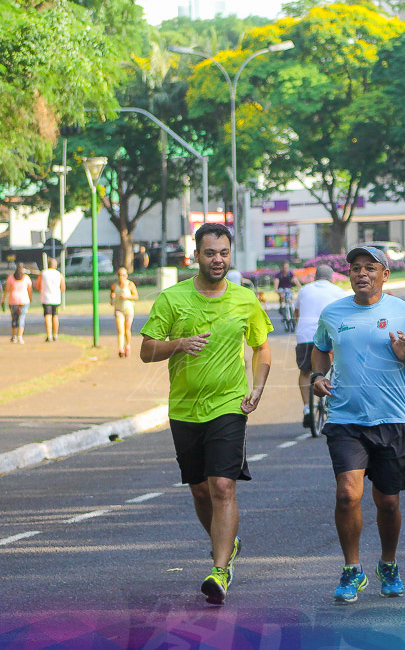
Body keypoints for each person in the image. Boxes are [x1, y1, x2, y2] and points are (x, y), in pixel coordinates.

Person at [139, 222, 272, 606]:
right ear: (196, 254)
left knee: (222, 486)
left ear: (231, 255)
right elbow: (147, 350)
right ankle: (227, 542)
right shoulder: (172, 298)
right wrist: (178, 344)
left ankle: (219, 569)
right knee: (199, 489)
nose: (218, 259)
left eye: (224, 253)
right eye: (210, 253)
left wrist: (258, 386)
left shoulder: (245, 299)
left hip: (229, 405)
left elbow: (261, 347)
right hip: (184, 408)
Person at [311, 245, 405, 603]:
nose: (361, 273)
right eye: (354, 268)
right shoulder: (333, 313)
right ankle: (352, 569)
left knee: (388, 502)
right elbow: (320, 347)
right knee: (347, 495)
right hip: (345, 418)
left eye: (369, 268)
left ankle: (388, 563)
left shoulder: (404, 311)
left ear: (385, 274)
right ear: (347, 274)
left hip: (392, 419)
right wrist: (318, 375)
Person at [294, 265, 349, 428]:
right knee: (332, 367)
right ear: (332, 277)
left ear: (315, 277)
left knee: (305, 372)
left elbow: (296, 313)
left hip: (305, 335)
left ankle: (306, 409)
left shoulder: (304, 290)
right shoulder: (338, 292)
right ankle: (327, 400)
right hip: (329, 336)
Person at [110, 267, 140, 358]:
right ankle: (120, 349)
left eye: (123, 275)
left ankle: (127, 346)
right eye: (119, 275)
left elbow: (136, 296)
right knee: (120, 330)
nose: (121, 277)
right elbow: (111, 301)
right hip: (118, 310)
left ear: (126, 276)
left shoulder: (130, 284)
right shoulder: (114, 286)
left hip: (128, 310)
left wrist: (127, 296)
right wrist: (112, 298)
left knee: (127, 330)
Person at [2, 263, 33, 344]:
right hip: (24, 301)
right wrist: (30, 298)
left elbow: (6, 290)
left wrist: (3, 299)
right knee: (22, 318)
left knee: (14, 318)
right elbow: (30, 290)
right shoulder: (26, 278)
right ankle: (20, 336)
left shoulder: (11, 278)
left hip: (13, 300)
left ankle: (13, 336)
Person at [39, 259, 65, 342]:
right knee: (55, 316)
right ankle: (55, 334)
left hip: (46, 298)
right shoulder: (59, 274)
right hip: (56, 298)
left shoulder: (43, 273)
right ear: (55, 265)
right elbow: (63, 287)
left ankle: (49, 334)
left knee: (47, 316)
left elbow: (38, 285)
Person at [273, 261, 302, 332]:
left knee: (291, 300)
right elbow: (276, 282)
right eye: (284, 268)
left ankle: (292, 311)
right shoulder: (279, 275)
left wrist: (300, 287)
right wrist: (276, 290)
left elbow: (295, 280)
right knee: (282, 297)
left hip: (288, 289)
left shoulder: (290, 273)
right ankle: (282, 307)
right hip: (281, 289)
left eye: (287, 267)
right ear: (282, 268)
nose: (285, 269)